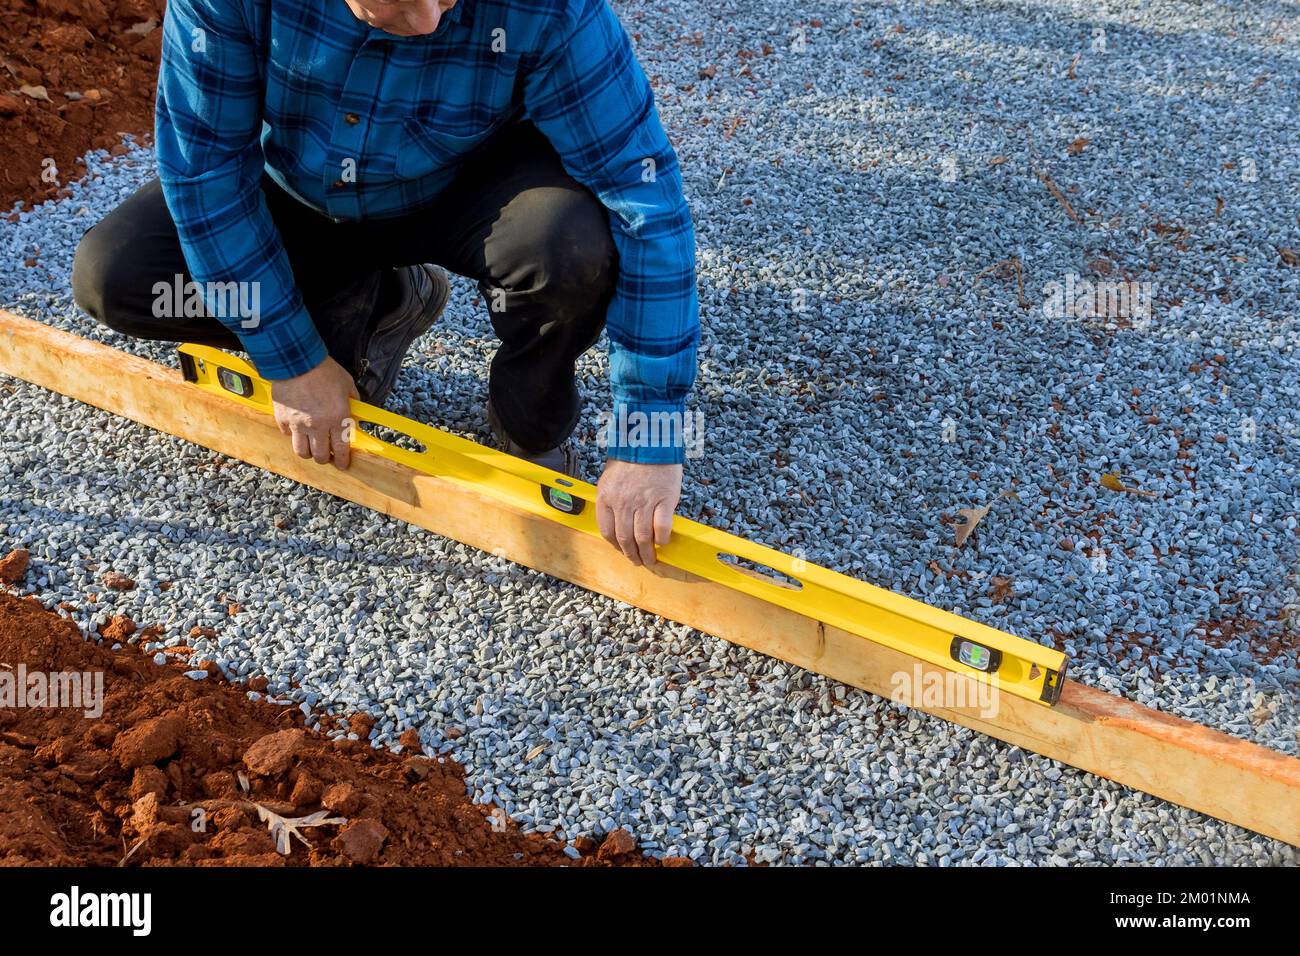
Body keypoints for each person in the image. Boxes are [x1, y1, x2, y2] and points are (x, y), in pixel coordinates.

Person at [71, 0, 699, 568]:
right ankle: (376, 306)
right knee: (117, 276)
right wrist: (291, 360)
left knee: (570, 248)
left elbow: (645, 201)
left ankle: (527, 422)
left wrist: (650, 434)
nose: (428, 20)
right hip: (300, 192)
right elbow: (206, 173)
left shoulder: (549, 9)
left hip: (462, 190)